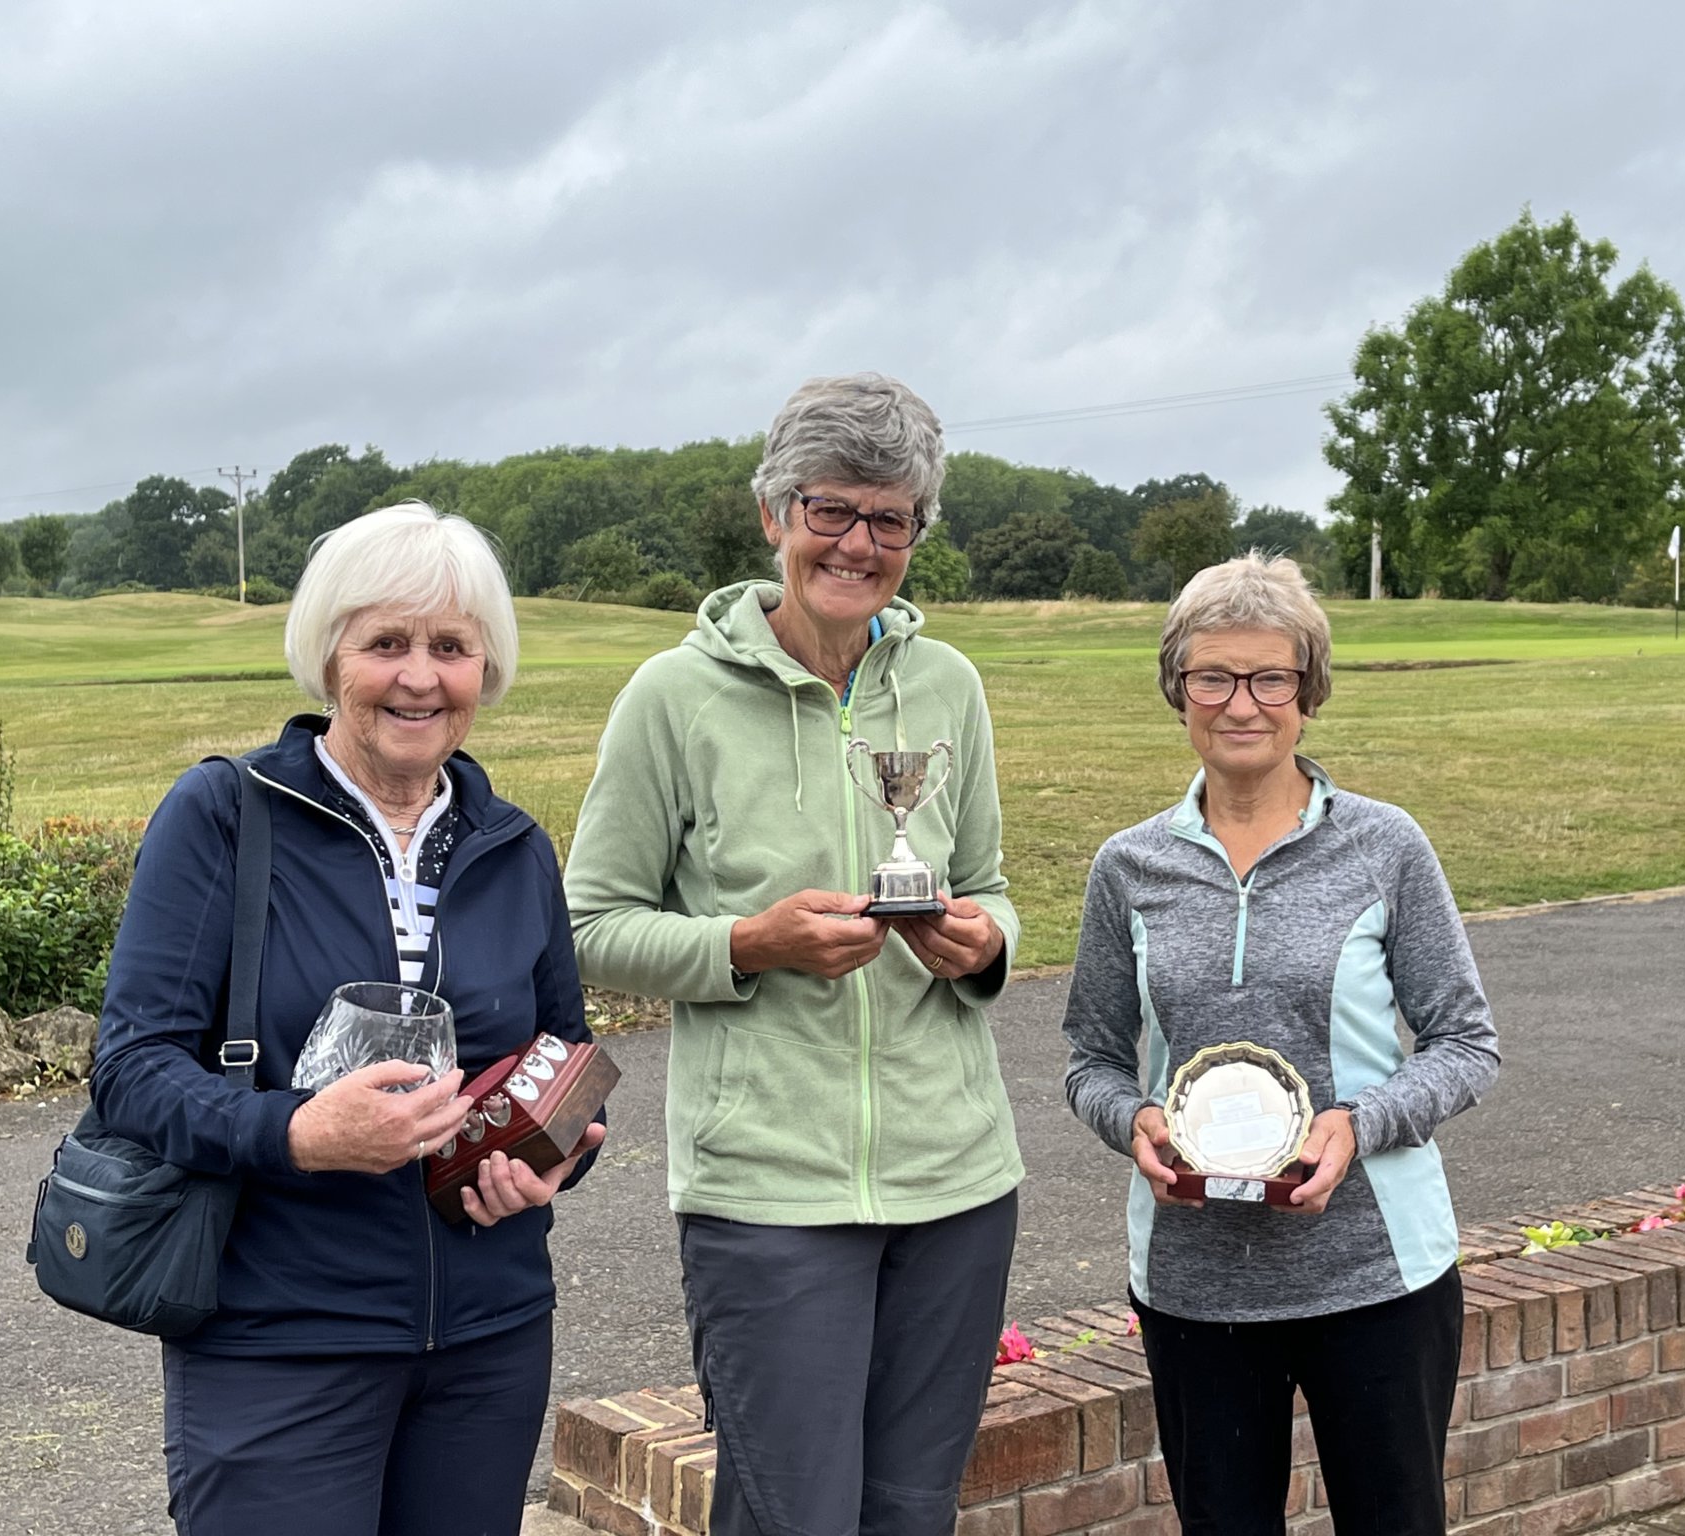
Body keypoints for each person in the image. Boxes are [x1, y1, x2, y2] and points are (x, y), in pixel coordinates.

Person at [90, 502, 605, 1536]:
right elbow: (132, 1069)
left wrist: (549, 1161)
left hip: (485, 1337)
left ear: (485, 670)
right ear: (330, 656)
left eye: (451, 648)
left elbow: (560, 1054)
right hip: (279, 1335)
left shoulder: (511, 846)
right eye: (386, 643)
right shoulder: (225, 816)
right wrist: (296, 1132)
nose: (420, 677)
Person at [564, 373, 1022, 1536]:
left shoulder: (948, 686)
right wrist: (746, 944)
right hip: (767, 1190)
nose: (858, 544)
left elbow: (992, 886)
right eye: (831, 510)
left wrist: (980, 943)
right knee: (793, 1519)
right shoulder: (672, 699)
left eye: (890, 519)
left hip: (954, 1178)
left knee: (912, 1513)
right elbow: (590, 925)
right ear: (773, 513)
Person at [1061, 552, 1499, 1536]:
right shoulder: (1128, 867)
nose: (1240, 704)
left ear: (1309, 691)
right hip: (1192, 1280)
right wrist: (1127, 1117)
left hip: (1376, 1271)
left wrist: (1360, 1122)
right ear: (1177, 689)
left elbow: (1464, 1042)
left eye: (1271, 677)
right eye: (1211, 676)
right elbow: (1089, 1056)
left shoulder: (1384, 847)